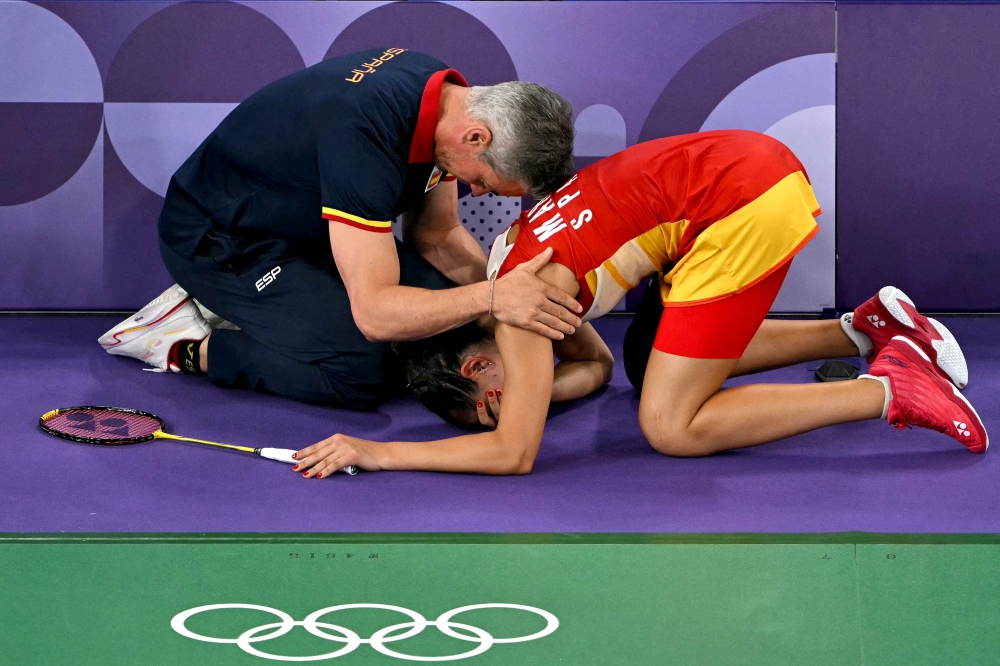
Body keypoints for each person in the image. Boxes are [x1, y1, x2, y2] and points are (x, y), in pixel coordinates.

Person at [290, 130, 986, 478]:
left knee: (671, 423)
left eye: (496, 400)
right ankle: (866, 331)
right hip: (737, 167)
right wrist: (539, 388)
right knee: (650, 356)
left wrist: (377, 453)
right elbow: (594, 369)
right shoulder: (510, 260)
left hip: (738, 203)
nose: (528, 397)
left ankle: (886, 391)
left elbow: (511, 453)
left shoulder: (518, 309)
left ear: (477, 370)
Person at [99, 48, 584, 410]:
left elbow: (437, 238)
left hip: (309, 224)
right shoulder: (364, 138)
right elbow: (376, 315)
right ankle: (188, 343)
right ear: (477, 137)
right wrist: (494, 298)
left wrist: (545, 314)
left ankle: (284, 313)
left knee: (444, 314)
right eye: (484, 181)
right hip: (226, 242)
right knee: (366, 371)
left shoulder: (445, 103)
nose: (476, 193)